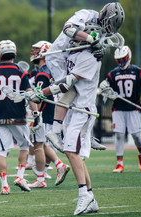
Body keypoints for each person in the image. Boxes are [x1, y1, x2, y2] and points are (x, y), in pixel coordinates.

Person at [26, 22, 105, 215]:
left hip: (83, 109)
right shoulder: (74, 54)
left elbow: (67, 85)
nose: (72, 40)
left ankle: (84, 196)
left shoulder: (90, 57)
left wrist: (41, 93)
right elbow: (68, 93)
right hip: (74, 107)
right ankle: (90, 197)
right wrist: (56, 126)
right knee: (74, 154)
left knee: (71, 151)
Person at [44, 2, 125, 153]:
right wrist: (91, 39)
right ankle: (56, 131)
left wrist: (98, 50)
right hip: (58, 57)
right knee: (68, 91)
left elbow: (95, 51)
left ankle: (86, 134)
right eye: (110, 24)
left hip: (73, 57)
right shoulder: (87, 14)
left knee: (86, 96)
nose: (109, 29)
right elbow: (68, 29)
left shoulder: (100, 30)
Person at [0, 40, 39, 195]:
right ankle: (20, 177)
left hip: (0, 118)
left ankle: (4, 185)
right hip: (19, 116)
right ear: (15, 53)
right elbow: (29, 94)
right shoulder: (21, 71)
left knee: (2, 150)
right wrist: (35, 113)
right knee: (24, 146)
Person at [99, 45, 141, 173]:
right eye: (118, 60)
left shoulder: (138, 71)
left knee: (137, 136)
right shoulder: (113, 73)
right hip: (118, 109)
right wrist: (104, 87)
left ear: (129, 57)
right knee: (119, 135)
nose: (121, 62)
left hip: (133, 108)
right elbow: (105, 88)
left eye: (123, 59)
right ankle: (119, 164)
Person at [27, 41, 70, 188]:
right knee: (41, 144)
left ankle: (57, 167)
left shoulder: (42, 73)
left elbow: (39, 96)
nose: (33, 52)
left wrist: (35, 113)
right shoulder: (51, 70)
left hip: (44, 111)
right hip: (51, 110)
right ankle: (43, 175)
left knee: (40, 144)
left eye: (36, 50)